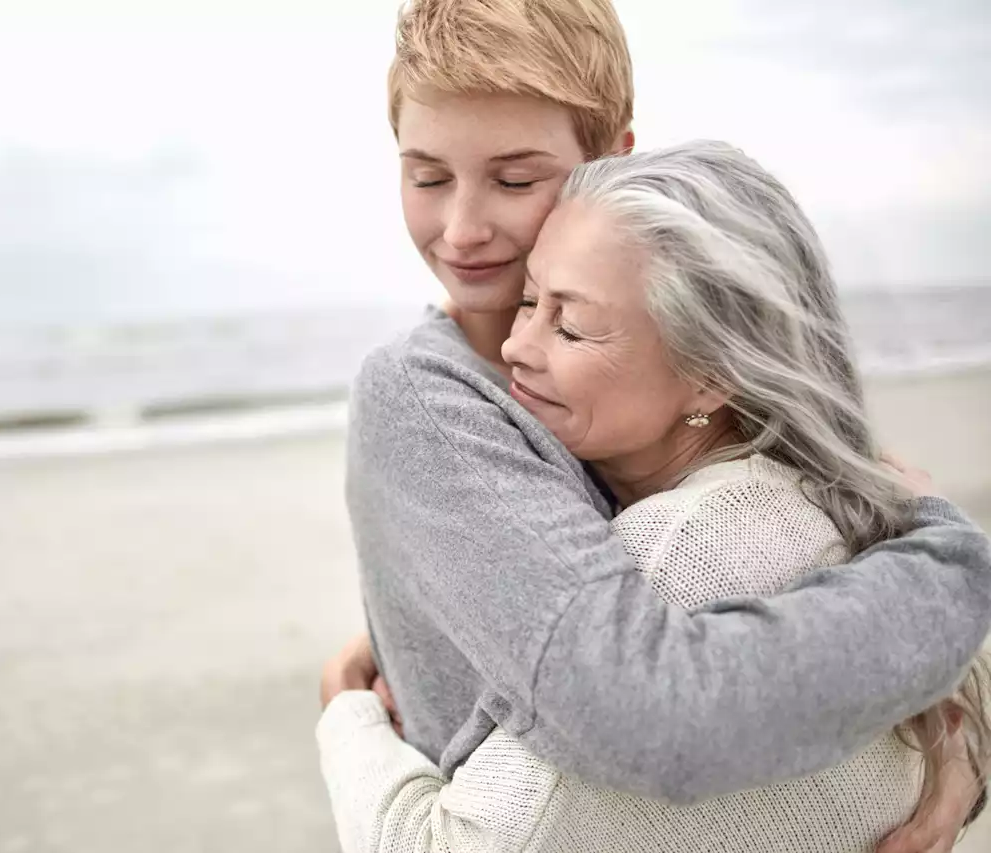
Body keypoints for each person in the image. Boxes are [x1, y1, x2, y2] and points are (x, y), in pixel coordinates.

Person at [318, 0, 991, 849]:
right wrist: (952, 570)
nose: (462, 230)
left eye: (516, 179)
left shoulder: (688, 372)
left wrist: (965, 737)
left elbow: (843, 525)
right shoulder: (429, 397)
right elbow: (639, 705)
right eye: (426, 177)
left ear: (609, 159)